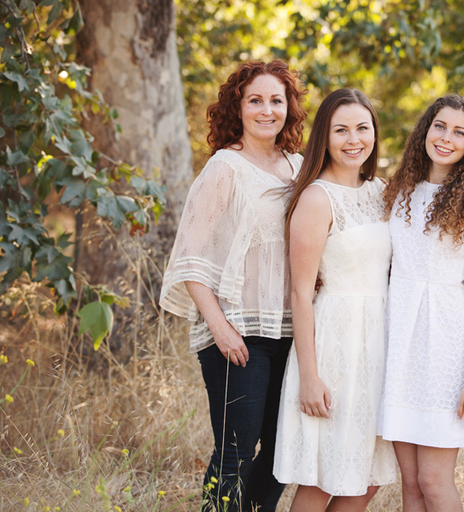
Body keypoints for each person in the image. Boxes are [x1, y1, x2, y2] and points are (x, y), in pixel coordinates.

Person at [159, 60, 307, 511]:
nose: (267, 110)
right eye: (255, 100)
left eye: (276, 101)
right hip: (237, 335)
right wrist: (219, 327)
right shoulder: (225, 167)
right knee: (235, 455)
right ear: (237, 108)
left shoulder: (300, 167)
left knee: (286, 453)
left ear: (289, 108)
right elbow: (188, 257)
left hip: (291, 334)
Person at [273, 88, 398, 512]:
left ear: (374, 134)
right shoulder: (315, 197)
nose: (353, 139)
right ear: (323, 137)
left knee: (364, 478)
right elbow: (300, 293)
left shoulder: (382, 190)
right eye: (340, 129)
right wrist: (310, 375)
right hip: (335, 345)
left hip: (378, 343)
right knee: (326, 475)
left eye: (362, 128)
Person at [379, 95, 464, 512]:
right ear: (425, 130)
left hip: (445, 349)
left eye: (459, 132)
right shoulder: (400, 192)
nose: (446, 138)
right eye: (440, 126)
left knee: (433, 481)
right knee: (410, 484)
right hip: (400, 345)